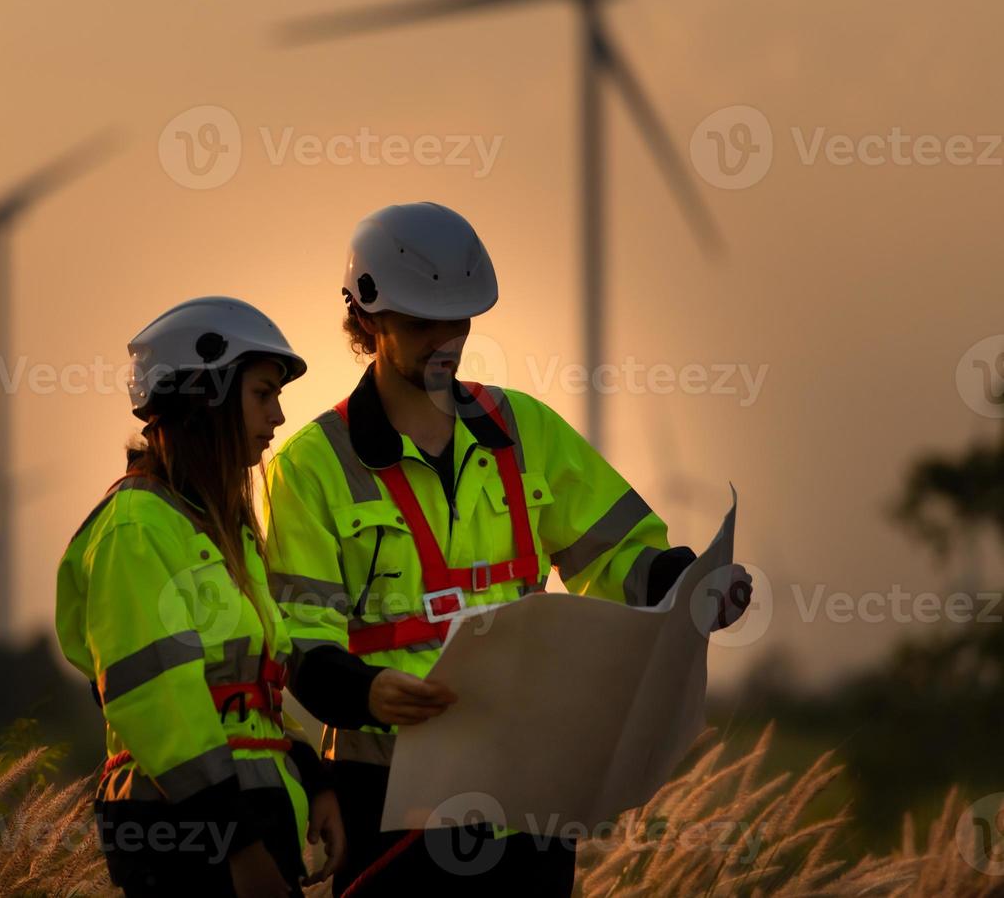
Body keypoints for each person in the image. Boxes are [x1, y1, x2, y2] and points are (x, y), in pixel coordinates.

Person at [263, 203, 752, 896]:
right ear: (368, 319)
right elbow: (301, 649)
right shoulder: (309, 467)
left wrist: (694, 583)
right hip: (394, 788)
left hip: (529, 781)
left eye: (458, 320)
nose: (446, 341)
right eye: (422, 323)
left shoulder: (527, 431)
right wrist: (368, 691)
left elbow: (624, 559)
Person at [56, 296, 348, 897]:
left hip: (244, 821)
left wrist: (310, 776)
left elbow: (241, 694)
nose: (279, 416)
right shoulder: (136, 530)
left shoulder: (221, 528)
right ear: (206, 396)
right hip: (187, 840)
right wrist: (237, 848)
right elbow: (162, 709)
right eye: (263, 394)